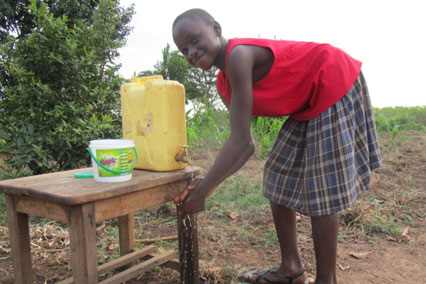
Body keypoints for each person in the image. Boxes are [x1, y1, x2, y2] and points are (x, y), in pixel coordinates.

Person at [172, 8, 382, 284]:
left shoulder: (239, 55)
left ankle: (326, 280)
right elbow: (245, 145)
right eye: (184, 49)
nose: (191, 51)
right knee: (277, 176)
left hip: (332, 79)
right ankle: (291, 269)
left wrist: (203, 190)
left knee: (321, 189)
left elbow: (240, 142)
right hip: (307, 103)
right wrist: (206, 187)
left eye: (195, 40)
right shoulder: (224, 84)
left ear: (216, 29)